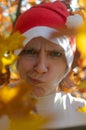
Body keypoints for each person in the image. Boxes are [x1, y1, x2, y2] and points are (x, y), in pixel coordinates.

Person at [13, 0, 86, 129]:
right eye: (30, 51)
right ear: (17, 58)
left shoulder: (82, 116)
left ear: (67, 65)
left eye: (55, 54)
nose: (41, 68)